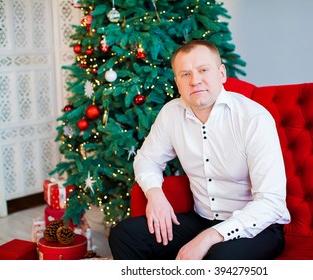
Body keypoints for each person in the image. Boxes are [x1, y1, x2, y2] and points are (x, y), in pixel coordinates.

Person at [108, 39, 290, 260]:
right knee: (124, 235)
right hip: (202, 219)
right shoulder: (171, 113)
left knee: (218, 257)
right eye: (185, 74)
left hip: (256, 227)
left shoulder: (253, 118)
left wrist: (209, 237)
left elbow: (270, 203)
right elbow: (147, 160)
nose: (195, 80)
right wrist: (155, 194)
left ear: (221, 73)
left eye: (203, 70)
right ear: (177, 81)